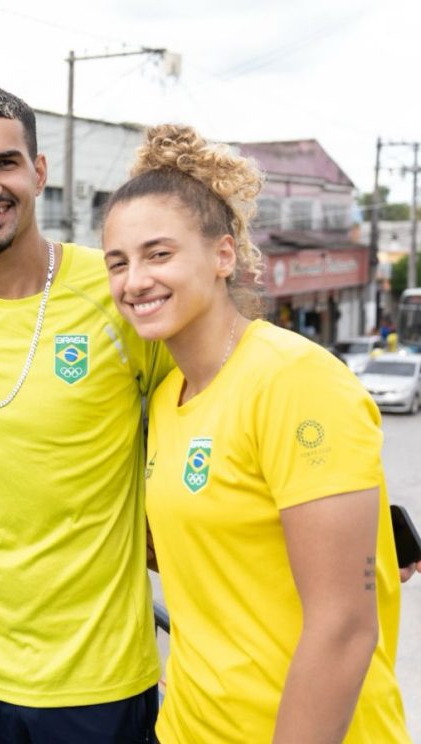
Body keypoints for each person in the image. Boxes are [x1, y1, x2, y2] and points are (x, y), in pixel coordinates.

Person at [101, 124, 409, 742]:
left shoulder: (296, 380)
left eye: (159, 254)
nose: (134, 280)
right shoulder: (166, 397)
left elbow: (345, 628)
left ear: (223, 255)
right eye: (119, 262)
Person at [0, 86, 169, 742]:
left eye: (5, 163)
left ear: (39, 172)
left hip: (100, 675)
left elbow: (220, 400)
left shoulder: (118, 292)